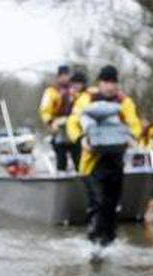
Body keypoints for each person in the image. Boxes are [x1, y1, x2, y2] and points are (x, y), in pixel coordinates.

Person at [67, 64, 143, 246]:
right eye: (106, 82)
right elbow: (73, 122)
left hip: (116, 161)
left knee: (112, 205)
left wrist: (133, 137)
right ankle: (94, 242)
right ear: (99, 83)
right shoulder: (86, 99)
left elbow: (134, 124)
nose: (110, 86)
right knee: (98, 202)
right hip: (92, 163)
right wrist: (81, 139)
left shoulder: (124, 102)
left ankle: (109, 242)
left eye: (113, 82)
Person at [39, 64, 74, 172]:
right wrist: (50, 122)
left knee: (77, 155)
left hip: (73, 128)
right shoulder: (51, 92)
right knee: (61, 156)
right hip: (58, 128)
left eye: (66, 75)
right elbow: (44, 110)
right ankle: (61, 175)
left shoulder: (74, 90)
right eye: (62, 75)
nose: (65, 78)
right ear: (58, 77)